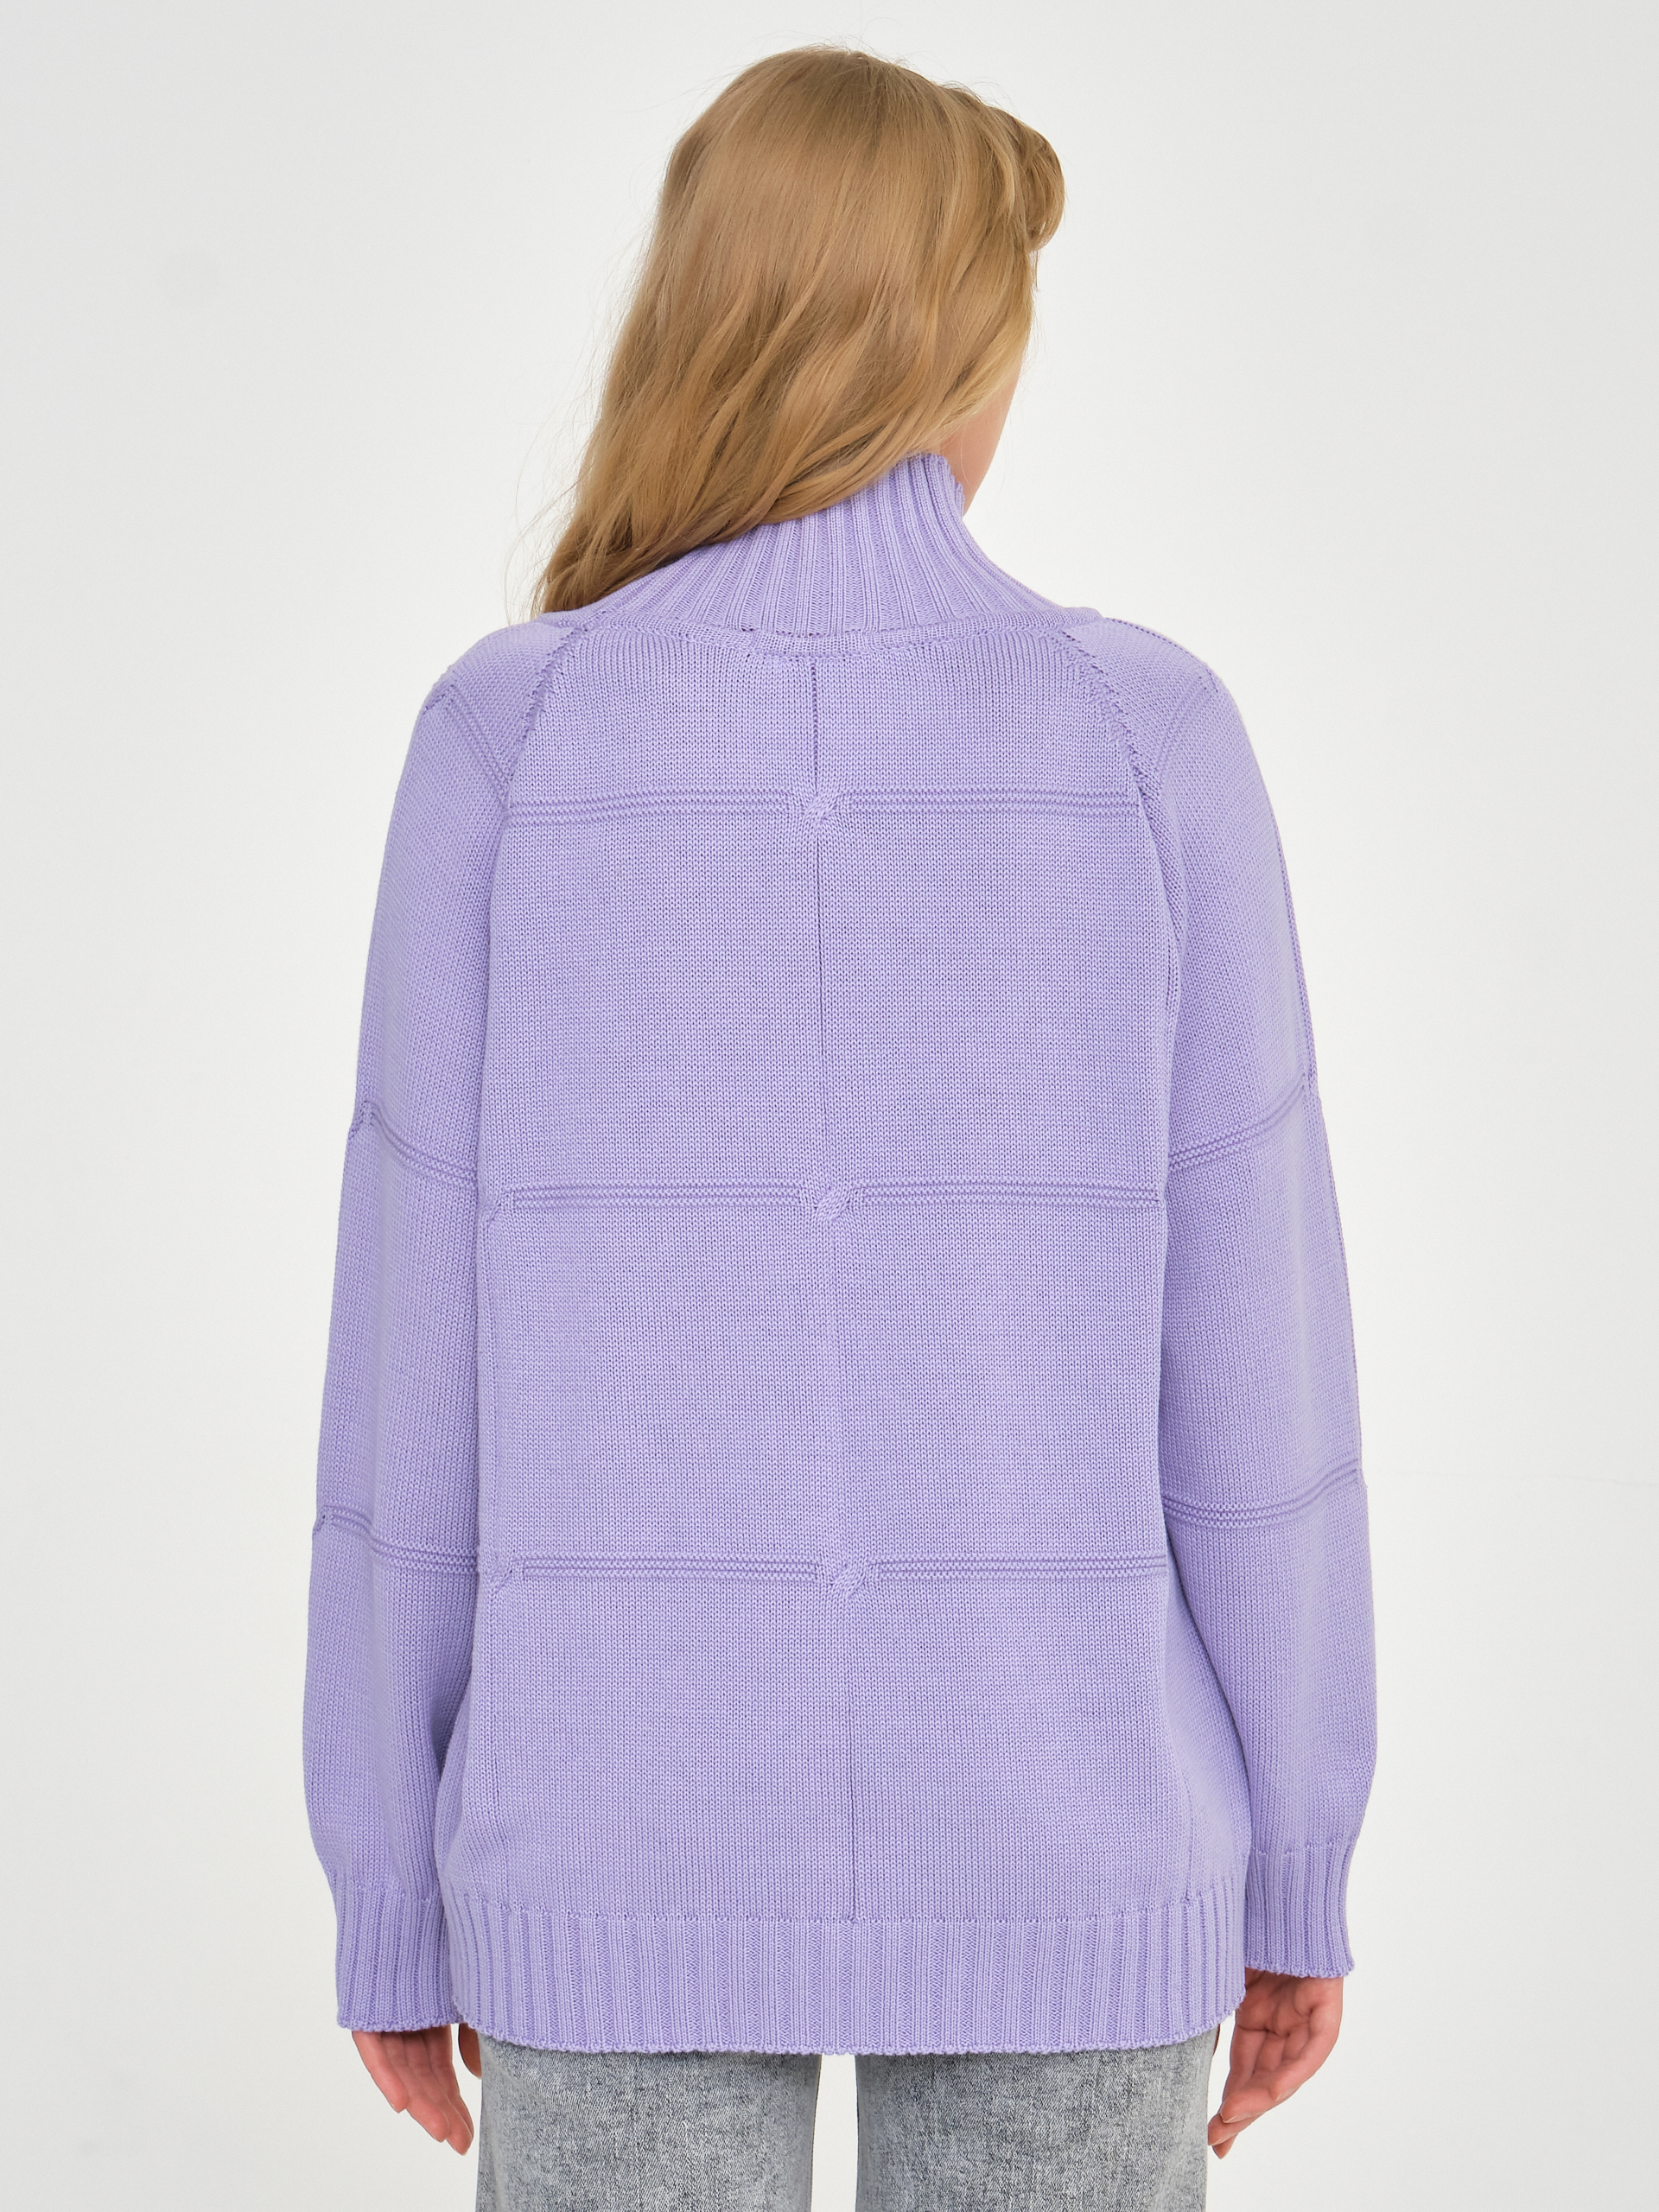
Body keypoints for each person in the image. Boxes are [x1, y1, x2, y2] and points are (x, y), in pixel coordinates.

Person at [302, 42, 1376, 2211]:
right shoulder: (1147, 739)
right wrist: (1296, 1863)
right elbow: (1261, 1400)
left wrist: (390, 1886)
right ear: (948, 343)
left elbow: (408, 1399)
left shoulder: (509, 739)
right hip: (1076, 1837)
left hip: (607, 1846)